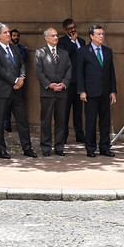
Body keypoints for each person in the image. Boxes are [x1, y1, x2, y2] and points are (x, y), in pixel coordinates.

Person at [0, 24, 33, 158]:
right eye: (5, 32)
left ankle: (27, 148)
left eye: (8, 32)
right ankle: (1, 150)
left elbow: (22, 64)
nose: (8, 34)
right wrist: (14, 80)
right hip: (2, 91)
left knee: (22, 120)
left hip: (17, 91)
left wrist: (22, 78)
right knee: (0, 121)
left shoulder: (14, 48)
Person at [74, 24, 119, 156]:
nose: (101, 36)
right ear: (91, 36)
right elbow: (80, 73)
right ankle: (90, 148)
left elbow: (111, 73)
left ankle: (105, 147)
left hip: (105, 92)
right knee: (91, 121)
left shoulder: (107, 51)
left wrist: (113, 90)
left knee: (105, 121)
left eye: (102, 34)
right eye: (98, 34)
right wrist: (81, 91)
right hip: (90, 92)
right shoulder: (83, 51)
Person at [35, 26, 71, 156]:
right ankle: (45, 147)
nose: (56, 38)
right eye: (53, 36)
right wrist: (49, 84)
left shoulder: (64, 53)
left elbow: (69, 70)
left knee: (61, 121)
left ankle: (59, 147)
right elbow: (39, 72)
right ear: (46, 38)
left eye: (57, 35)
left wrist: (64, 83)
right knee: (46, 120)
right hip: (47, 92)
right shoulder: (40, 53)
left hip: (62, 91)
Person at [59, 19, 89, 149]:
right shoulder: (62, 42)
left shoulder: (81, 41)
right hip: (68, 81)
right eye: (70, 28)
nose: (73, 30)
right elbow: (65, 55)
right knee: (65, 110)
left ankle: (79, 134)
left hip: (79, 81)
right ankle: (63, 135)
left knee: (78, 110)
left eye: (74, 27)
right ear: (66, 30)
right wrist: (72, 42)